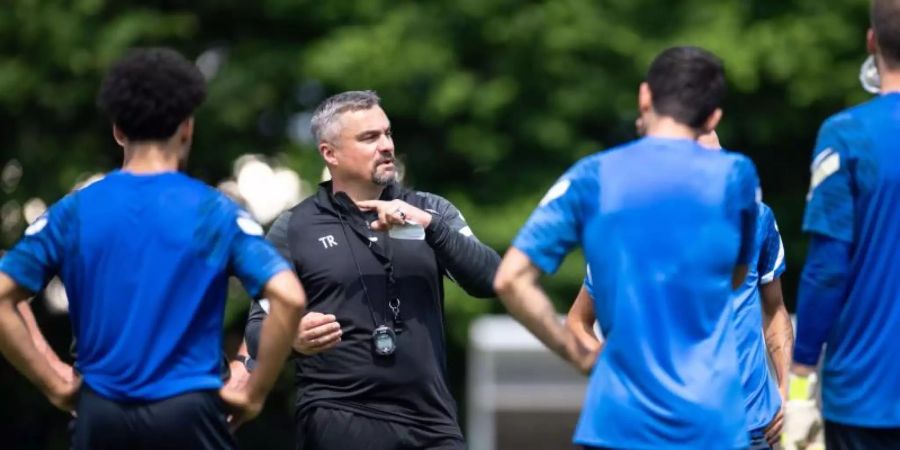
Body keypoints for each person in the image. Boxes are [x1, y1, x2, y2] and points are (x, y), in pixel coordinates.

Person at [0, 47, 306, 449]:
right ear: (186, 127)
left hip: (100, 412)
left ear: (118, 130)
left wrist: (53, 380)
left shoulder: (73, 212)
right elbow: (288, 297)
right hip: (189, 413)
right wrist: (254, 393)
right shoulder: (213, 212)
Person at [493, 46, 761, 449]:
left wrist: (577, 352)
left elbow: (511, 280)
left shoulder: (593, 175)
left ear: (644, 97)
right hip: (712, 425)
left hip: (619, 423)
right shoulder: (738, 177)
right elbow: (737, 278)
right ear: (712, 117)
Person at [240, 90, 500, 450]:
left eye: (387, 133)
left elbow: (493, 280)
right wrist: (291, 338)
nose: (386, 145)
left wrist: (430, 226)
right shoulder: (294, 228)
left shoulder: (429, 211)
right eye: (369, 137)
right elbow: (256, 331)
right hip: (339, 418)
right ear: (329, 153)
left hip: (433, 424)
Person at [566, 130, 794, 450]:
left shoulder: (756, 219)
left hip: (752, 431)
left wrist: (789, 393)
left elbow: (775, 311)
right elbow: (578, 322)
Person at [792, 1, 900, 448]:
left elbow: (828, 266)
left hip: (866, 391)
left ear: (871, 41)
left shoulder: (847, 133)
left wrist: (800, 371)